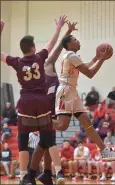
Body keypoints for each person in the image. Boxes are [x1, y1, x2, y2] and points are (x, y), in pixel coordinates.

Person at [1, 16, 67, 185]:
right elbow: (52, 44)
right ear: (33, 47)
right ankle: (58, 173)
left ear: (22, 49)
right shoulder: (39, 57)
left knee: (23, 140)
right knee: (49, 139)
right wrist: (59, 27)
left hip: (26, 102)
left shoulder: (17, 61)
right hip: (43, 102)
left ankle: (23, 176)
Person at [52, 34, 115, 161]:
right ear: (69, 45)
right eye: (75, 40)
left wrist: (97, 57)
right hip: (65, 91)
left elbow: (85, 66)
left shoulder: (73, 57)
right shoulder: (71, 55)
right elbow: (90, 73)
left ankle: (105, 151)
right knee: (62, 125)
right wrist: (102, 59)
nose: (78, 41)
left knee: (87, 123)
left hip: (72, 91)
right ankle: (37, 122)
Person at [36, 21, 78, 185]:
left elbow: (58, 48)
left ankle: (57, 172)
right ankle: (48, 174)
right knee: (47, 142)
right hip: (43, 110)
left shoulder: (48, 67)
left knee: (48, 141)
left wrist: (66, 31)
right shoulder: (35, 77)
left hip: (55, 107)